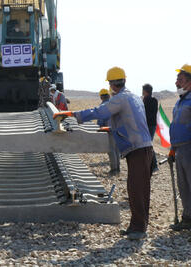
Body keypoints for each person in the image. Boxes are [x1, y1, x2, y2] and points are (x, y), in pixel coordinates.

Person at [55, 67, 153, 240]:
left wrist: (73, 115)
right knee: (141, 188)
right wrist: (110, 128)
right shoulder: (133, 96)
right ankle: (138, 226)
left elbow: (100, 112)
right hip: (144, 147)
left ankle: (138, 229)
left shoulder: (120, 98)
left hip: (137, 148)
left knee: (136, 189)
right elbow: (128, 120)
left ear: (112, 84)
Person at [168, 64, 191, 231]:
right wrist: (172, 149)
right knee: (183, 185)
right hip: (179, 149)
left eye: (180, 79)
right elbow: (176, 126)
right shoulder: (180, 102)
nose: (177, 82)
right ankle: (187, 218)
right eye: (177, 79)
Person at [97, 88, 120, 175]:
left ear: (101, 97)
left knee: (111, 150)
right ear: (108, 96)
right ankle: (117, 169)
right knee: (116, 149)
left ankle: (114, 170)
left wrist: (99, 129)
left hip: (109, 130)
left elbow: (101, 120)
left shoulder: (103, 106)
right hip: (117, 128)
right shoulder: (113, 104)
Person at [142, 84, 158, 173]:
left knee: (148, 144)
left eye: (143, 90)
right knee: (146, 144)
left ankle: (154, 165)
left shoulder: (152, 100)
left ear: (146, 91)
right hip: (147, 125)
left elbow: (150, 114)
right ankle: (150, 165)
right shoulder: (145, 100)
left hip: (150, 125)